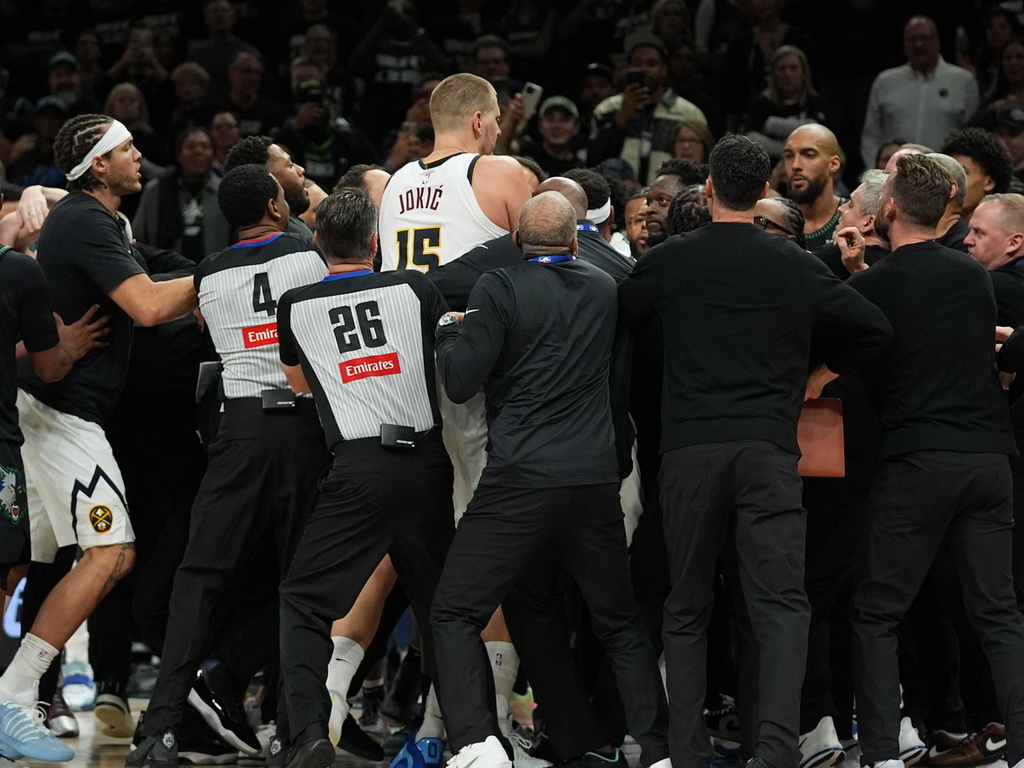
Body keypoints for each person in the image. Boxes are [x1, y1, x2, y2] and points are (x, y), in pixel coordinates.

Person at [617, 134, 893, 768]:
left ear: (710, 189)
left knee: (687, 605)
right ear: (764, 190)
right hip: (769, 453)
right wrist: (817, 378)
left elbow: (619, 314)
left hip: (689, 452)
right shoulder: (793, 262)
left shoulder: (671, 259)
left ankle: (687, 753)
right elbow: (874, 329)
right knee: (781, 605)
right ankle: (773, 751)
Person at [432, 190, 672, 768]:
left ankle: (477, 743)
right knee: (619, 623)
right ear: (575, 242)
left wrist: (448, 332)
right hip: (592, 481)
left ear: (516, 240)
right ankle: (660, 751)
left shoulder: (499, 285)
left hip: (519, 479)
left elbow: (461, 382)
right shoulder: (604, 287)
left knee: (454, 612)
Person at [0, 113, 197, 760]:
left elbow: (64, 205)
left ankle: (15, 695)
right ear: (99, 165)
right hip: (62, 413)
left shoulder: (94, 216)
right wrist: (232, 270)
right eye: (127, 148)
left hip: (42, 410)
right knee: (111, 552)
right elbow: (148, 306)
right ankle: (15, 692)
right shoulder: (87, 219)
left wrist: (42, 191)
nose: (141, 156)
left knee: (21, 564)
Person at [127, 163, 331, 768]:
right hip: (304, 428)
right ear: (274, 207)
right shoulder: (310, 256)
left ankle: (159, 730)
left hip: (238, 431)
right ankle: (299, 732)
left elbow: (192, 323)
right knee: (301, 582)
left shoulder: (208, 272)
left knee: (199, 578)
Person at [843, 152, 1024, 768]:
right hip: (990, 459)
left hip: (918, 460)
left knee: (875, 611)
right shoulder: (974, 276)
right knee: (997, 611)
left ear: (889, 208)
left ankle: (881, 755)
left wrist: (854, 273)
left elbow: (855, 363)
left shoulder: (870, 287)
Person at [272, 189, 455, 768]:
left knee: (303, 601)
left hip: (357, 469)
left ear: (318, 243)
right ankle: (473, 734)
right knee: (445, 609)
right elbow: (445, 361)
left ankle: (307, 732)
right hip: (427, 466)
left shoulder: (295, 304)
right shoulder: (415, 288)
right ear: (375, 242)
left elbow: (299, 383)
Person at [861, 16, 979, 170]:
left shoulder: (963, 81)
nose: (918, 44)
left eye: (925, 38)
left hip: (945, 173)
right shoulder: (885, 82)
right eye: (912, 39)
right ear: (904, 44)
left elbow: (972, 136)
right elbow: (871, 136)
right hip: (895, 174)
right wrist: (875, 173)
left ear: (937, 42)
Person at [589, 34, 708, 184]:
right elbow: (593, 157)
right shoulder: (607, 109)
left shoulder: (689, 113)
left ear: (664, 69)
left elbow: (702, 164)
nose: (644, 69)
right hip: (618, 192)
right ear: (628, 68)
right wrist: (621, 118)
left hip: (671, 194)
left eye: (651, 64)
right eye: (637, 63)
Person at [133, 127, 231, 261]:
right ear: (178, 155)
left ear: (213, 156)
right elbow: (139, 238)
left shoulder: (225, 192)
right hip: (166, 271)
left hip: (217, 270)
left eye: (205, 147)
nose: (198, 152)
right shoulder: (157, 190)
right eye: (191, 147)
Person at [742, 46, 827, 162]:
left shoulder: (815, 101)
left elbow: (817, 132)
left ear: (804, 72)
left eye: (793, 68)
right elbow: (751, 138)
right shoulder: (761, 103)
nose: (788, 74)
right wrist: (790, 151)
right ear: (773, 74)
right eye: (782, 69)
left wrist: (771, 124)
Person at [816, 169, 889, 278]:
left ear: (868, 223)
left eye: (850, 205)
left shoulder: (836, 254)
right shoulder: (899, 263)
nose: (840, 208)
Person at [783, 124, 847, 250]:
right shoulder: (772, 222)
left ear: (833, 164)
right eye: (789, 156)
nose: (795, 165)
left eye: (809, 155)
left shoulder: (854, 219)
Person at [941, 127, 1015, 221]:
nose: (950, 181)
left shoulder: (1005, 228)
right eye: (947, 170)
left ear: (989, 183)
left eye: (962, 172)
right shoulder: (928, 225)